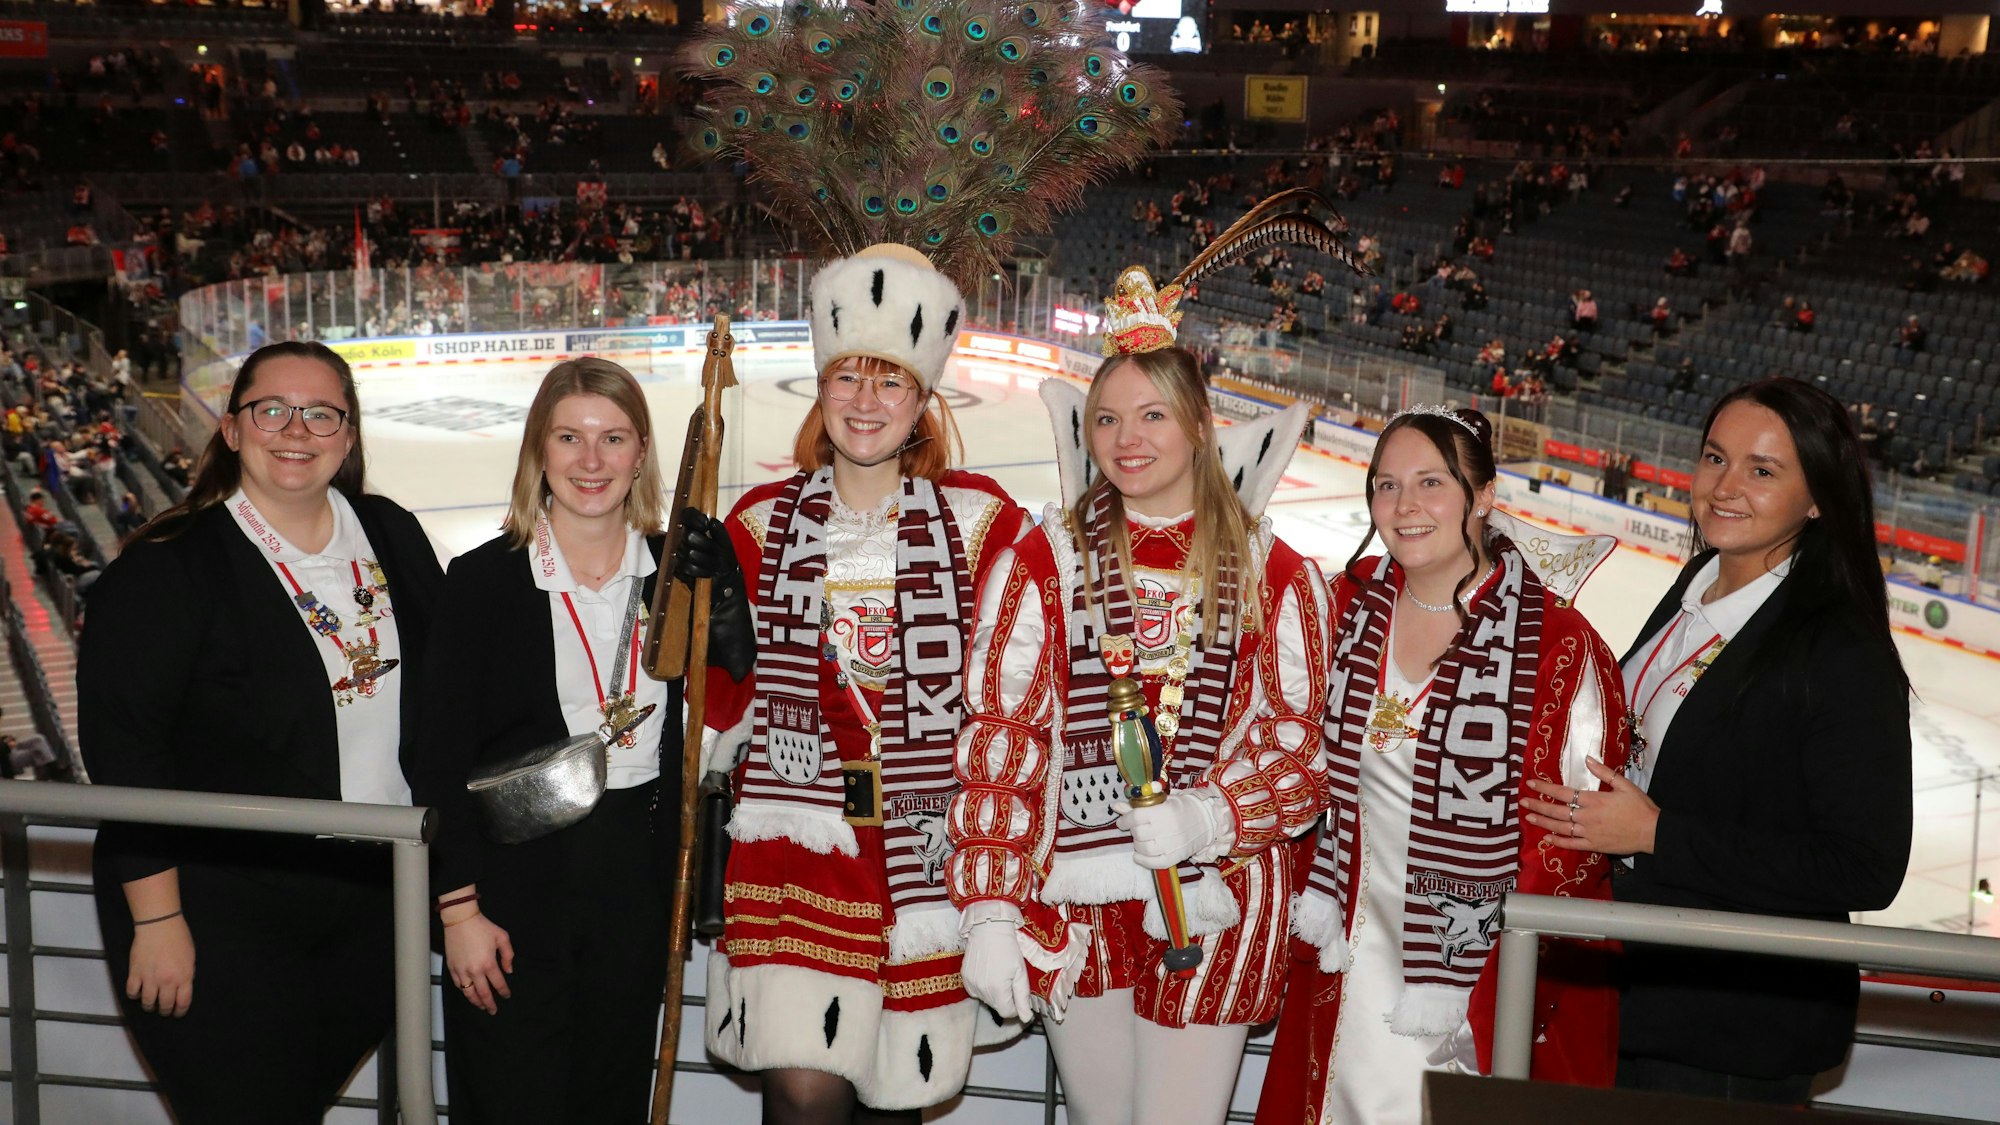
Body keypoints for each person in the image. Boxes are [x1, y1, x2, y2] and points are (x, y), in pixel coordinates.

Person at [950, 267, 1332, 1125]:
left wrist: (1208, 815)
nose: (1127, 438)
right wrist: (988, 906)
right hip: (1077, 900)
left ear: (1200, 424)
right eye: (1108, 418)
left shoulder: (1278, 575)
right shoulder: (1043, 564)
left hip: (1216, 895)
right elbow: (1004, 739)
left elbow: (1301, 752)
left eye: (1152, 415)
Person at [698, 244, 1029, 1121]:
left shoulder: (984, 522)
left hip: (922, 854)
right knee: (803, 1101)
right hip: (797, 849)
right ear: (819, 389)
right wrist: (719, 648)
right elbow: (713, 714)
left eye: (891, 383)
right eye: (849, 379)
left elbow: (1030, 676)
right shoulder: (761, 523)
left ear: (925, 400)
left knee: (896, 1105)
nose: (867, 403)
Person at [77, 340, 444, 1120]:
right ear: (234, 428)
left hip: (374, 903)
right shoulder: (168, 568)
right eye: (271, 409)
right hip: (220, 909)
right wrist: (158, 917)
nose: (296, 430)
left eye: (321, 414)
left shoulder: (391, 533)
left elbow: (453, 688)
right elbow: (125, 748)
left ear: (348, 436)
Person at [1525, 377, 1912, 1104]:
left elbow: (1866, 866)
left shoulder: (1840, 649)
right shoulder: (1698, 580)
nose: (1725, 486)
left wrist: (1657, 833)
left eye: (1762, 470)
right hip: (1634, 992)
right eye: (1714, 458)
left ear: (1819, 496)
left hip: (1734, 1022)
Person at [1259, 405, 1628, 1125]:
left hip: (1475, 967)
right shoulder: (1343, 609)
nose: (1405, 506)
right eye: (1386, 485)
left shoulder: (1556, 643)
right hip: (1350, 940)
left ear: (1484, 494)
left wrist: (1481, 970)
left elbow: (1570, 840)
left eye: (1431, 481)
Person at [412, 358, 753, 1121]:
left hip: (635, 887)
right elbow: (436, 755)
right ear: (539, 451)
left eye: (612, 438)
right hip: (509, 892)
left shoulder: (680, 572)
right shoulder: (482, 580)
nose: (590, 460)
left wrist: (729, 609)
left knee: (607, 1100)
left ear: (641, 453)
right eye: (569, 437)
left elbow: (728, 717)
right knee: (509, 1101)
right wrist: (458, 908)